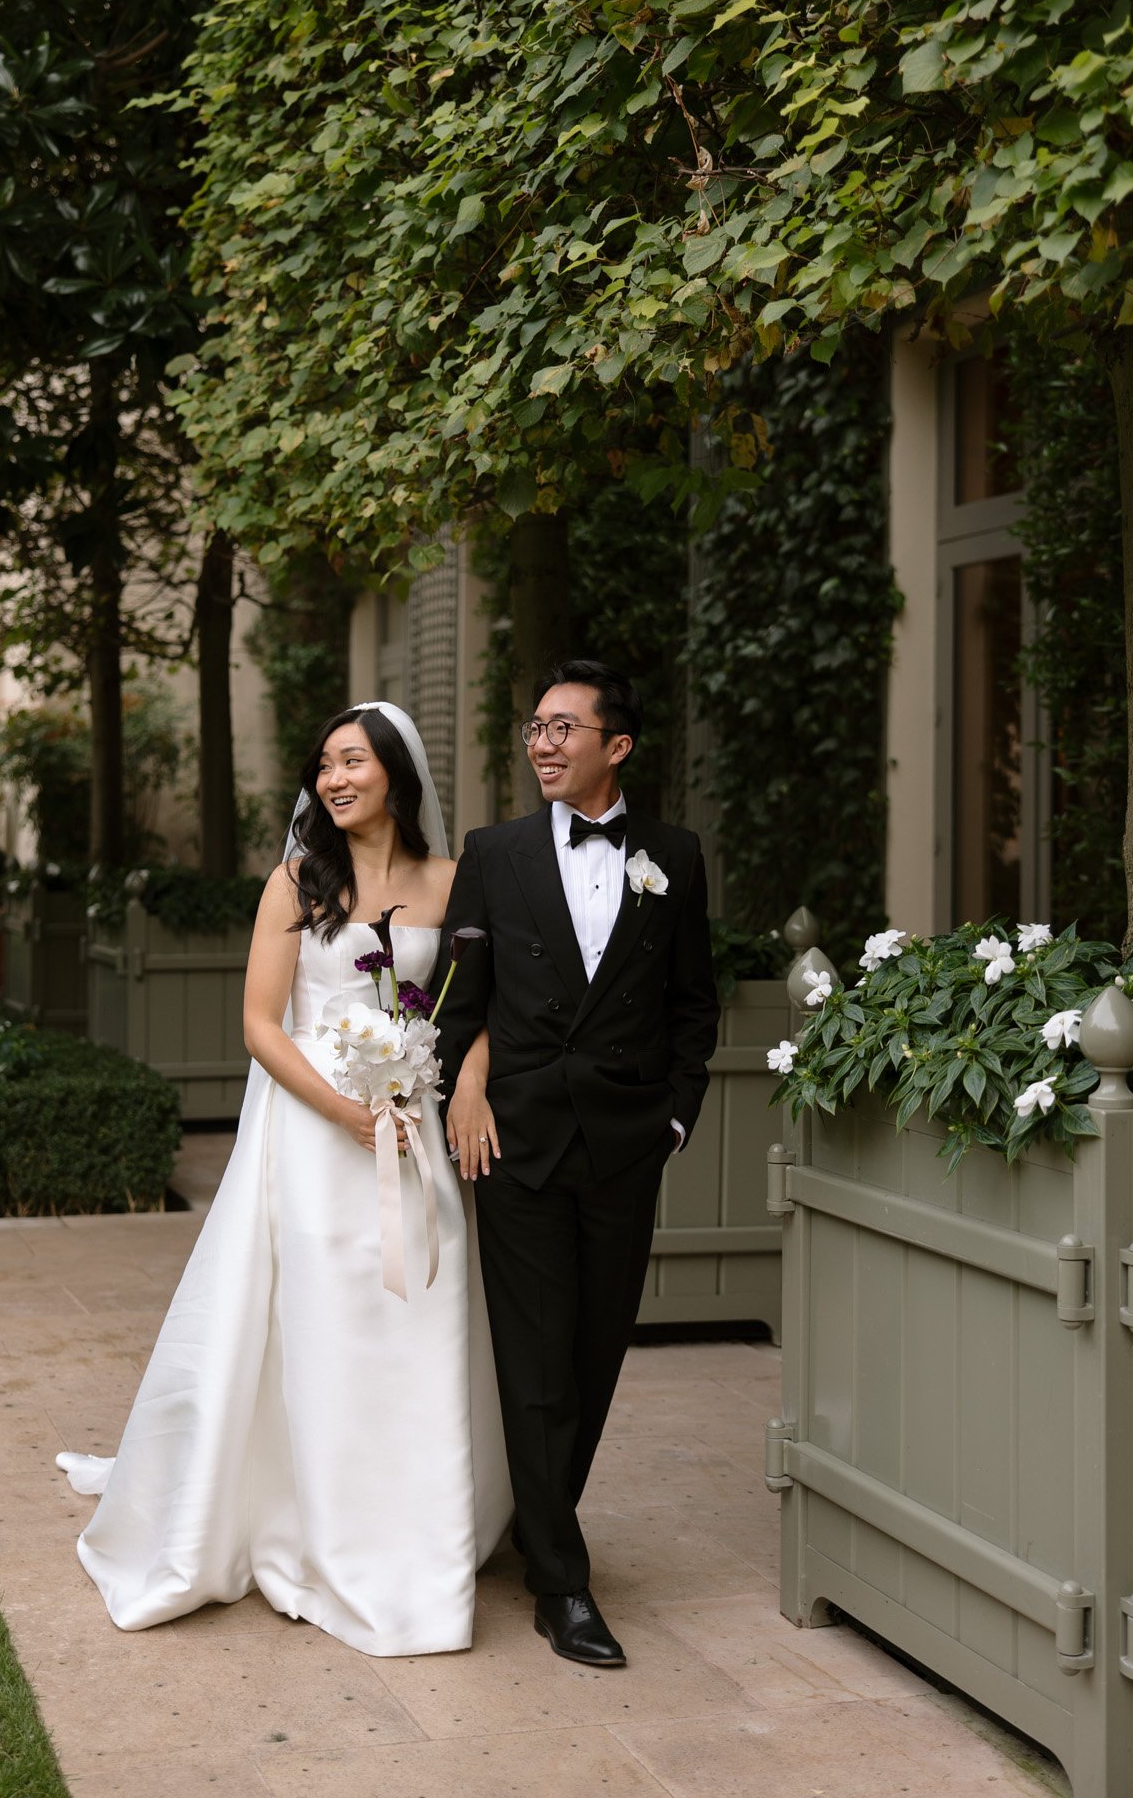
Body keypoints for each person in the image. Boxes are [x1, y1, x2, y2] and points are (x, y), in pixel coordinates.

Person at [58, 702, 511, 1657]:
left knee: (421, 1308)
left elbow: (483, 1007)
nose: (334, 778)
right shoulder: (296, 883)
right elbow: (262, 1026)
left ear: (397, 772)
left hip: (414, 1124)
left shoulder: (454, 881)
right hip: (312, 1130)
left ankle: (416, 1523)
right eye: (324, 763)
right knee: (318, 1316)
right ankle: (308, 1520)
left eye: (354, 761)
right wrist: (347, 1111)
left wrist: (453, 1078)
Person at [433, 659, 719, 1668]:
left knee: (595, 1353)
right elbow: (456, 999)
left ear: (617, 745)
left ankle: (540, 1516)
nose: (541, 743)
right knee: (535, 1357)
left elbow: (693, 1004)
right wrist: (458, 1090)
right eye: (534, 726)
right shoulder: (493, 852)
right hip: (515, 1143)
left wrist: (674, 1122)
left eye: (562, 727)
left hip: (626, 1144)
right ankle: (561, 1578)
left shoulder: (674, 856)